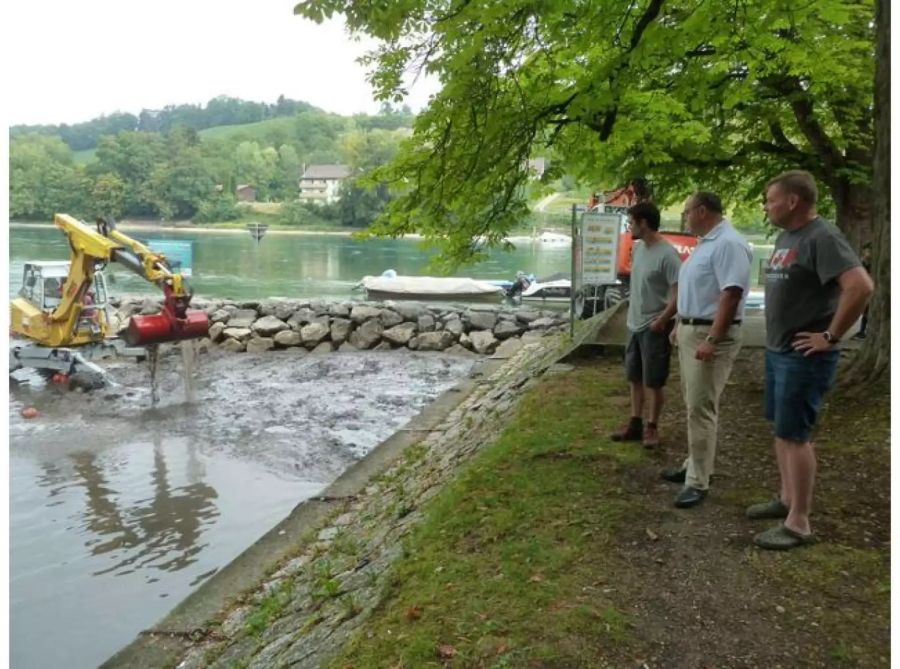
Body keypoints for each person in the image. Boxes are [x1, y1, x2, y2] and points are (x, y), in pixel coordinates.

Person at [748, 170, 873, 550]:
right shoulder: (789, 237)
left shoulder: (823, 236)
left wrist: (830, 336)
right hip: (778, 350)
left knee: (796, 435)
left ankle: (799, 522)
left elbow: (860, 286)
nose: (766, 206)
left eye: (771, 199)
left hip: (803, 356)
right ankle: (786, 499)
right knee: (781, 429)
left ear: (792, 201)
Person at [661, 192, 752, 508]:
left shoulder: (729, 243)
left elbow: (731, 295)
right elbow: (698, 289)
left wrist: (712, 339)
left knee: (701, 407)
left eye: (686, 212)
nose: (684, 218)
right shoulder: (708, 243)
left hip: (709, 332)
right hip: (691, 328)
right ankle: (695, 463)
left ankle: (698, 481)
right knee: (692, 402)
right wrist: (679, 324)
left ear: (702, 211)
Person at [610, 202, 681, 448]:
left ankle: (652, 427)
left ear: (644, 223)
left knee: (654, 380)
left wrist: (663, 321)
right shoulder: (639, 249)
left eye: (632, 222)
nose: (630, 227)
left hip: (655, 326)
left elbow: (678, 294)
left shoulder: (668, 255)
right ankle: (635, 423)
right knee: (634, 377)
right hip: (635, 324)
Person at [852, 243, 872, 339]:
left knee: (867, 311)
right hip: (861, 288)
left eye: (869, 251)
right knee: (862, 310)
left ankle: (863, 330)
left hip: (871, 288)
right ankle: (859, 330)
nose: (867, 253)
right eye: (866, 251)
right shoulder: (861, 262)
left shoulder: (872, 263)